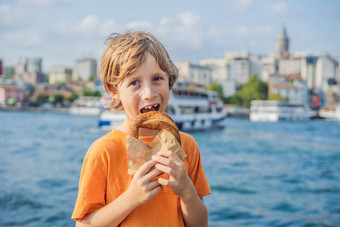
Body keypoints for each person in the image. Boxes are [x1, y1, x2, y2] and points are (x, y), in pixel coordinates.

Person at [72, 31, 211, 227]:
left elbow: (199, 224)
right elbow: (84, 225)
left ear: (169, 80)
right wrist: (131, 198)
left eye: (157, 79)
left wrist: (187, 191)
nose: (148, 93)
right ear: (114, 91)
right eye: (134, 82)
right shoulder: (104, 151)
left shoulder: (186, 145)